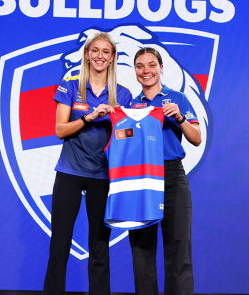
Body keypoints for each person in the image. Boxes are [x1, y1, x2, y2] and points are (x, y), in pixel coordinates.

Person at [44, 32, 132, 295]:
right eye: (95, 50)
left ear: (113, 57)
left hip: (103, 178)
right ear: (86, 54)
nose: (100, 56)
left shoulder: (123, 94)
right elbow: (60, 130)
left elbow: (127, 138)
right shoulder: (70, 85)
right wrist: (90, 117)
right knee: (59, 245)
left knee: (99, 248)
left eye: (106, 52)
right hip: (69, 173)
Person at [128, 47, 201, 295]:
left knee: (179, 246)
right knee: (142, 249)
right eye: (140, 66)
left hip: (172, 176)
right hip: (141, 180)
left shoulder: (177, 98)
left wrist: (179, 118)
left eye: (151, 65)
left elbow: (196, 138)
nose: (146, 70)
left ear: (161, 68)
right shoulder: (130, 104)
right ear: (135, 71)